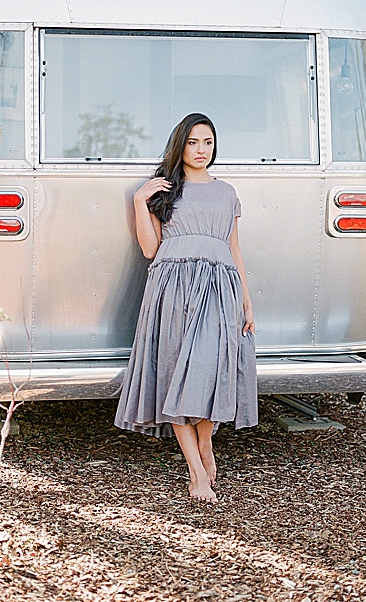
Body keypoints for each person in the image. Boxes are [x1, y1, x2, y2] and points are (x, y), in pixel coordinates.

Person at [113, 112, 258, 504]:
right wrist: (140, 200)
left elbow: (234, 249)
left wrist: (246, 300)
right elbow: (149, 249)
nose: (201, 150)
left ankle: (206, 444)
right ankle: (196, 470)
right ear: (181, 145)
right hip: (173, 287)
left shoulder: (227, 192)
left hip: (219, 286)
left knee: (212, 371)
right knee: (177, 373)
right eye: (193, 142)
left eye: (207, 142)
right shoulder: (163, 191)